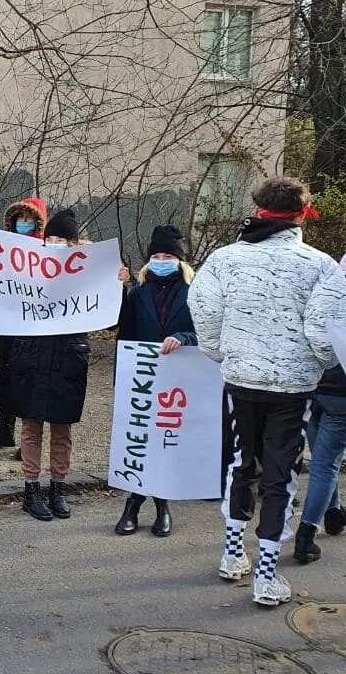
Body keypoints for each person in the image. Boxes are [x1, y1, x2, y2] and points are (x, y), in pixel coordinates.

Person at [190, 177, 346, 607]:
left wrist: (221, 352)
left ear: (258, 209)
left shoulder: (223, 259)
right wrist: (320, 362)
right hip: (292, 387)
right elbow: (325, 335)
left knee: (242, 462)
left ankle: (231, 552)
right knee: (281, 474)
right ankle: (266, 574)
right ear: (302, 213)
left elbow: (204, 309)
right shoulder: (320, 265)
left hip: (241, 378)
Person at [0, 209, 129, 522]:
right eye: (50, 238)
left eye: (61, 239)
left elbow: (114, 320)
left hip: (68, 358)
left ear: (74, 243)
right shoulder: (28, 269)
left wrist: (121, 285)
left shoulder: (90, 272)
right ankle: (31, 490)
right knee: (30, 428)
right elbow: (1, 302)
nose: (54, 243)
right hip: (31, 357)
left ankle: (57, 488)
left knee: (62, 429)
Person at [113, 225, 197, 538]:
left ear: (180, 260)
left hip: (178, 380)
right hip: (142, 378)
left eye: (168, 255)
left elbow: (206, 334)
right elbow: (123, 333)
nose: (161, 260)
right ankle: (133, 505)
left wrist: (183, 337)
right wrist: (121, 381)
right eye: (156, 255)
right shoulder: (139, 293)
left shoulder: (195, 294)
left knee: (164, 441)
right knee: (138, 442)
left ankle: (162, 506)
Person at [0, 197, 47, 451]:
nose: (23, 223)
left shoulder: (49, 252)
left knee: (31, 382)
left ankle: (30, 440)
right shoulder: (0, 250)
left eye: (28, 219)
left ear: (37, 222)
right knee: (5, 379)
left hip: (34, 329)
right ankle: (5, 428)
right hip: (7, 326)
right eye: (19, 219)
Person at [294, 266, 346, 564]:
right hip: (345, 396)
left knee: (321, 457)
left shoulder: (322, 297)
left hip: (313, 386)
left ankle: (333, 515)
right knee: (325, 465)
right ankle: (305, 538)